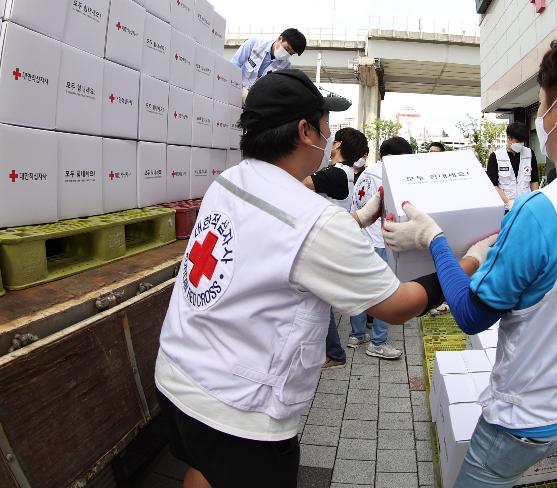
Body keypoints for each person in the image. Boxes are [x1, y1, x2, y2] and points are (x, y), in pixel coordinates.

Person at [155, 69, 489, 488]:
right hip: (238, 409)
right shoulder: (313, 220)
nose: (331, 135)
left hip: (176, 374)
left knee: (203, 468)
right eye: (326, 122)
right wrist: (469, 261)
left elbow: (283, 243)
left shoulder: (229, 181)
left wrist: (358, 219)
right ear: (305, 130)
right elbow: (397, 305)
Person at [383, 31, 557, 487]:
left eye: (541, 105)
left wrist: (434, 238)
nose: (539, 117)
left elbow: (468, 315)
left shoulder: (542, 212)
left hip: (528, 417)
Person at [303, 126, 370, 368]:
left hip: (323, 244)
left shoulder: (336, 174)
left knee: (317, 301)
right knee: (318, 300)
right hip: (329, 243)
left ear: (339, 145)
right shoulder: (344, 173)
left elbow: (296, 180)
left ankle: (334, 353)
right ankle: (331, 352)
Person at [348, 136, 412, 360]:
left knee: (359, 290)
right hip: (379, 242)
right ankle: (378, 342)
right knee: (386, 293)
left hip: (359, 238)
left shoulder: (366, 172)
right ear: (396, 157)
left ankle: (356, 335)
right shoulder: (389, 175)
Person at [229, 28, 306, 91]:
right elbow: (234, 64)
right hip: (237, 87)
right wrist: (235, 87)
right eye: (287, 48)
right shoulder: (254, 44)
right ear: (280, 39)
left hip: (256, 100)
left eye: (291, 53)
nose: (287, 53)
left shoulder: (286, 66)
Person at [487, 121, 539, 211]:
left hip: (526, 205)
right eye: (518, 141)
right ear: (509, 138)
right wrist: (508, 203)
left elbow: (534, 180)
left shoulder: (529, 153)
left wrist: (534, 201)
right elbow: (493, 185)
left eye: (522, 141)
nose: (521, 144)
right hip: (506, 208)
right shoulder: (496, 156)